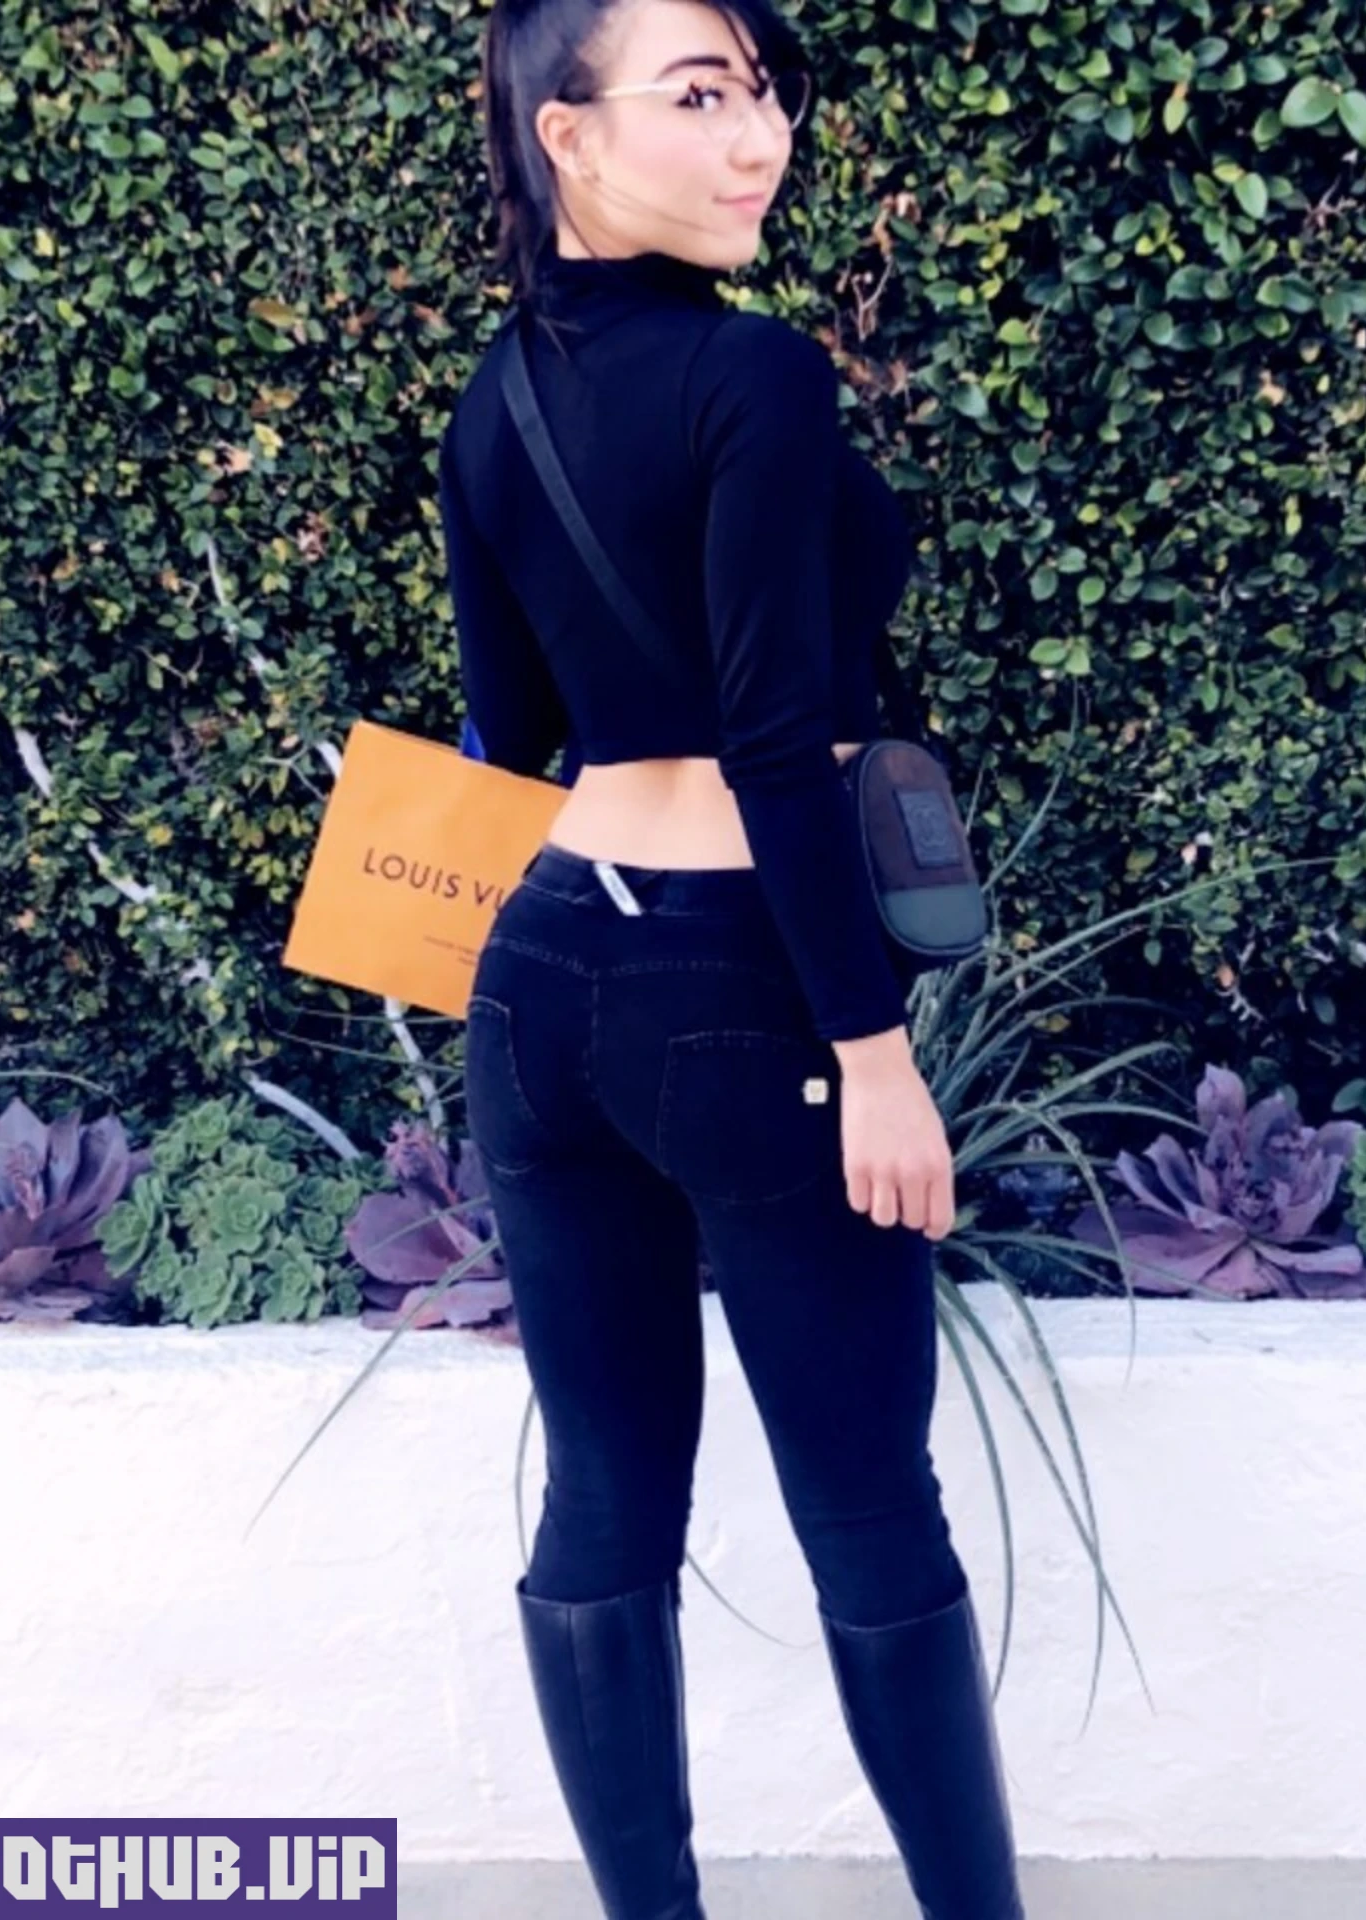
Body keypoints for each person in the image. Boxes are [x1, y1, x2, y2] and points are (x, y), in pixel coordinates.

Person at [435, 2, 1027, 1915]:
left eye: (764, 95)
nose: (758, 137)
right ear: (567, 135)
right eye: (699, 96)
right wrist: (874, 1053)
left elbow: (510, 733)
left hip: (541, 982)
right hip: (743, 986)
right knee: (870, 1506)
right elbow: (774, 742)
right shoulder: (754, 375)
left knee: (605, 1498)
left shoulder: (491, 403)